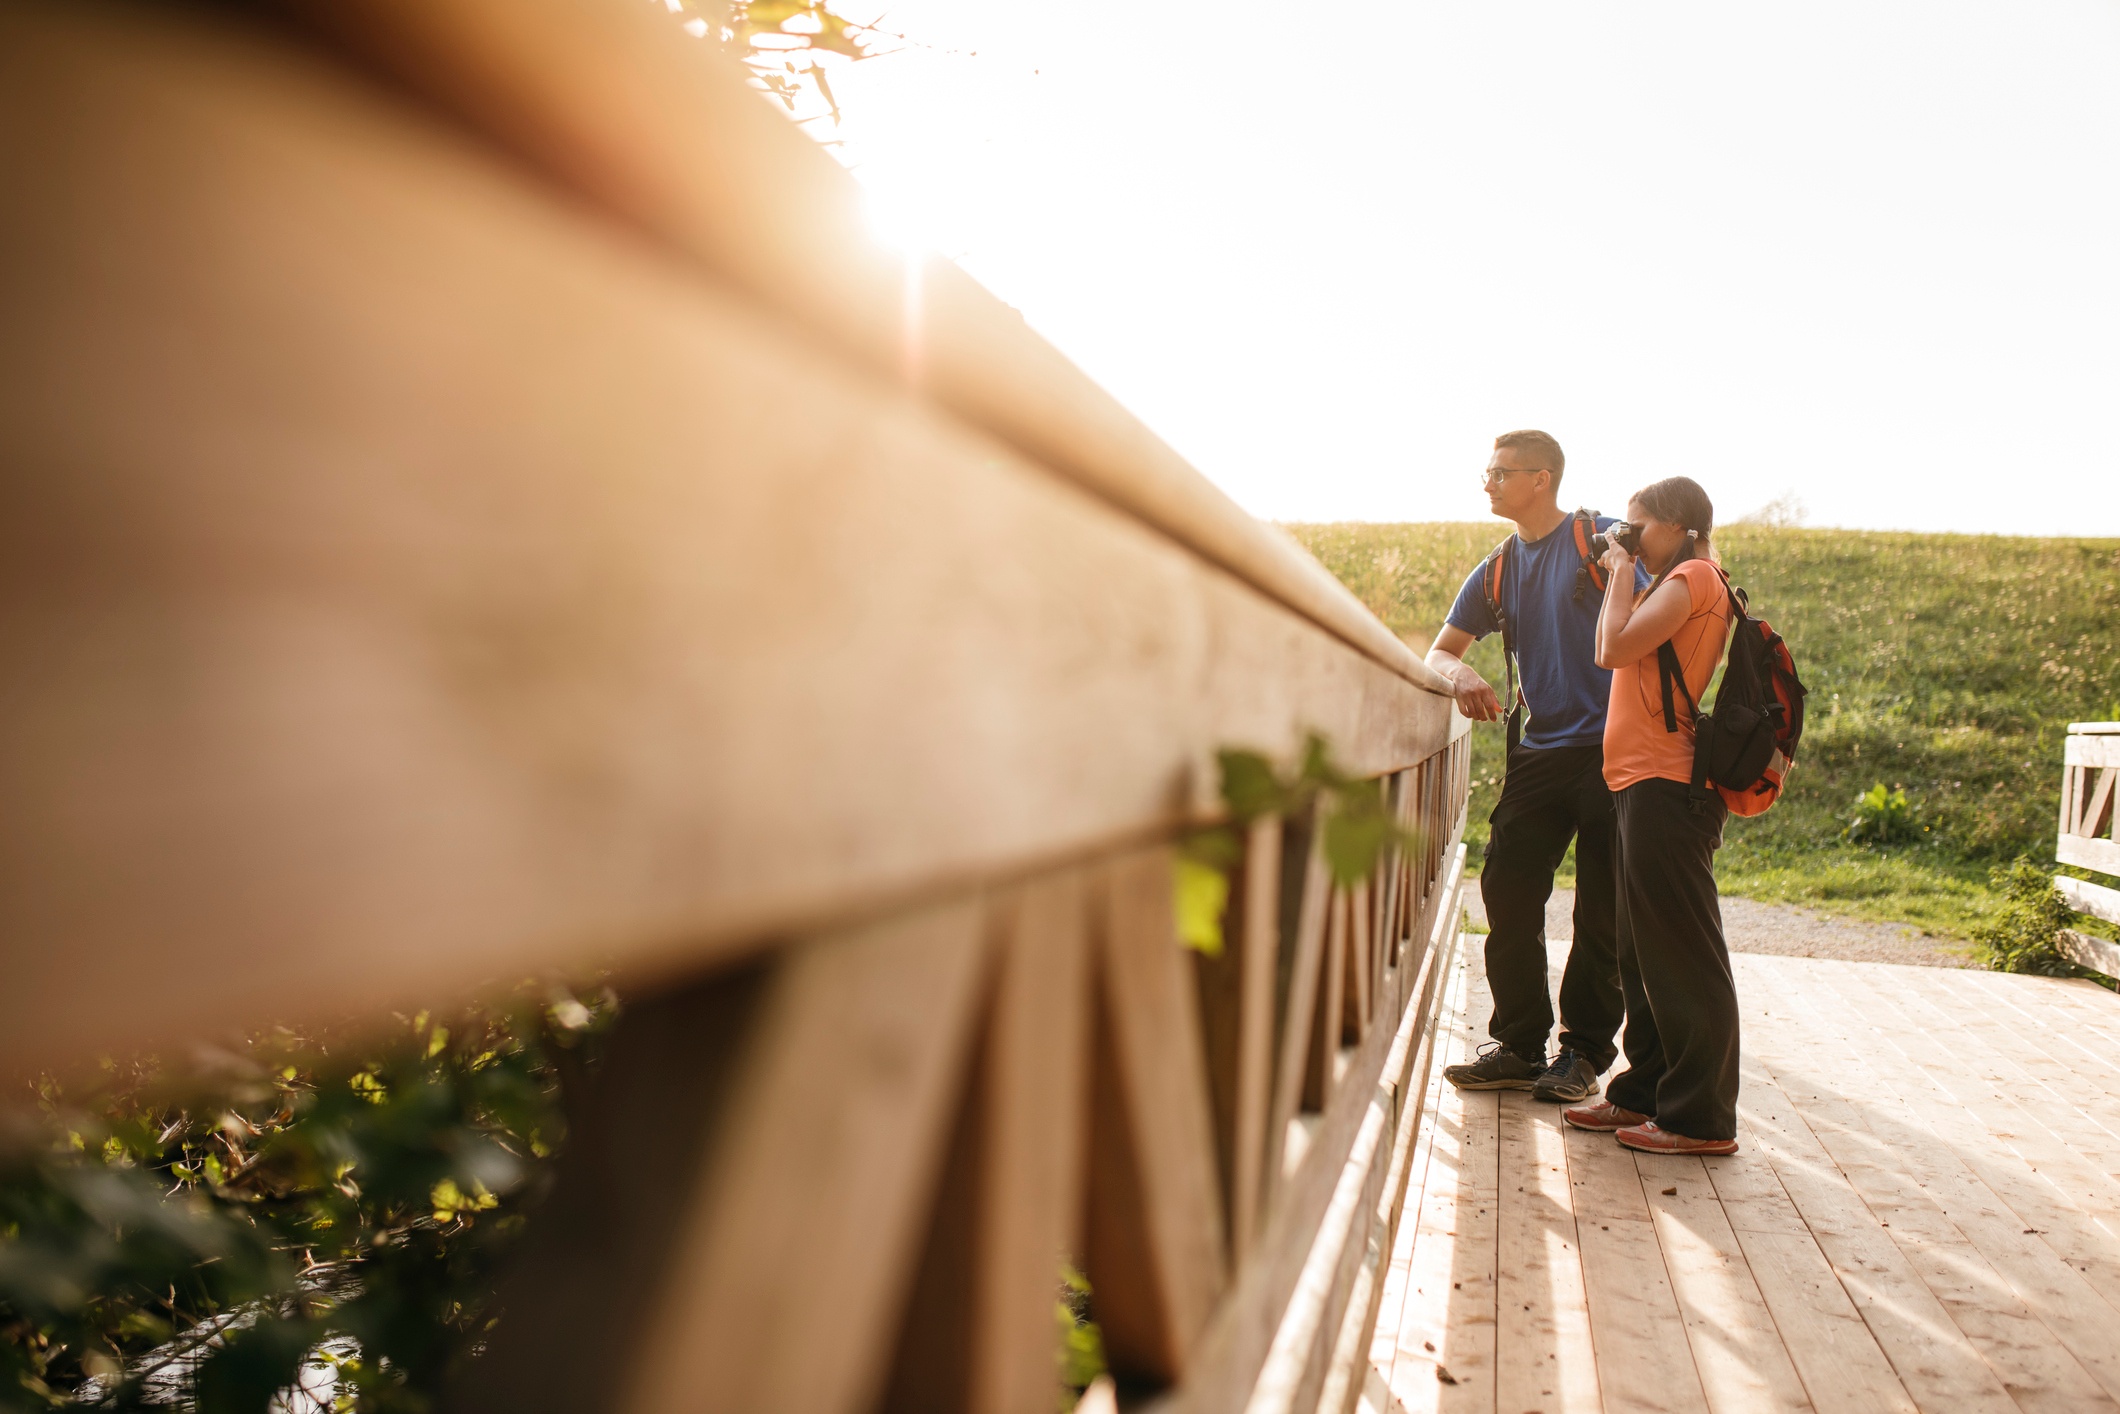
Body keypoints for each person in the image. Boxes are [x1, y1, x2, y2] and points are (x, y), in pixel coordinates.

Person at [1433, 432, 1644, 1104]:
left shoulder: (1603, 537)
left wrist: (1627, 564)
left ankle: (1581, 1054)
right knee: (1508, 890)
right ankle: (1521, 1045)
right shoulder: (1497, 568)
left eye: (1499, 473)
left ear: (1540, 479)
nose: (1487, 483)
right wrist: (1460, 670)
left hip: (1615, 752)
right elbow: (1439, 651)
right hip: (1541, 752)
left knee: (1602, 909)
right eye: (1488, 471)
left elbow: (1684, 577)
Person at [1562, 476, 1740, 1155]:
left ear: (1677, 525)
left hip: (1668, 786)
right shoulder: (1676, 579)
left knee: (1682, 957)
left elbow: (1611, 649)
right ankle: (1645, 1092)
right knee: (1642, 954)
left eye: (1638, 527)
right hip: (1641, 782)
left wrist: (1618, 572)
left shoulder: (1694, 577)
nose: (1630, 538)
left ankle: (1699, 1116)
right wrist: (1628, 571)